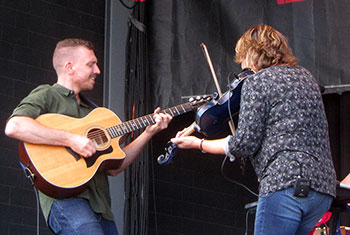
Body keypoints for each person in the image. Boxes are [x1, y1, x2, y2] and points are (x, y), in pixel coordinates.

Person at [171, 24, 336, 235]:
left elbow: (244, 143)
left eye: (242, 60)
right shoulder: (307, 78)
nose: (242, 67)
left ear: (251, 55)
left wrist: (199, 144)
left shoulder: (257, 82)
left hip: (285, 182)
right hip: (322, 189)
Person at [4, 38, 172, 234]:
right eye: (91, 64)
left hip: (101, 207)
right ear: (69, 67)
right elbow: (15, 126)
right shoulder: (48, 94)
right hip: (65, 200)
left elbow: (115, 168)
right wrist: (71, 139)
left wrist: (148, 133)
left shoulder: (96, 114)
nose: (98, 70)